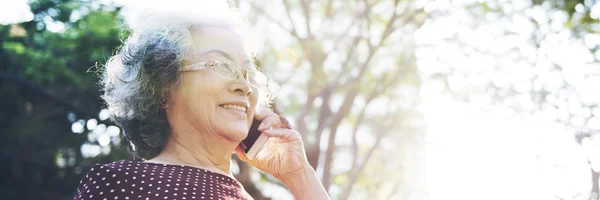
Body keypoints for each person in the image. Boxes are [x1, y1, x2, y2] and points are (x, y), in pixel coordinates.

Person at [74, 2, 330, 200]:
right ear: (163, 85)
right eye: (220, 64)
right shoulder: (121, 183)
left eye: (248, 73)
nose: (244, 85)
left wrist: (298, 174)